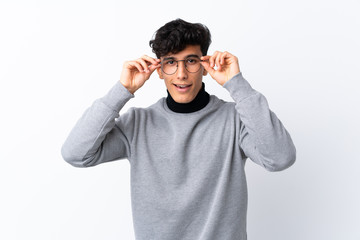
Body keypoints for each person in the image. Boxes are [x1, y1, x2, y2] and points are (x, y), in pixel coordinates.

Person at [61, 18, 296, 240]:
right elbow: (76, 153)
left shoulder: (235, 119)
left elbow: (280, 158)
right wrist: (122, 89)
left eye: (191, 61)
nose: (182, 74)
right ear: (160, 70)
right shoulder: (137, 124)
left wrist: (237, 84)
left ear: (205, 66)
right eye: (171, 62)